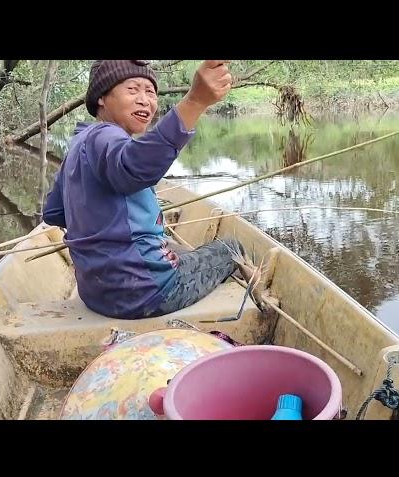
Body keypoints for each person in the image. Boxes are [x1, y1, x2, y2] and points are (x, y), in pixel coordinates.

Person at [43, 60, 251, 320]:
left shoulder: (78, 144)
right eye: (133, 90)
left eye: (150, 92)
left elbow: (53, 213)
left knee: (177, 249)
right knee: (231, 248)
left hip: (95, 293)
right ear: (102, 99)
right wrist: (195, 101)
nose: (145, 101)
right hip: (144, 293)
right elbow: (133, 167)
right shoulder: (105, 136)